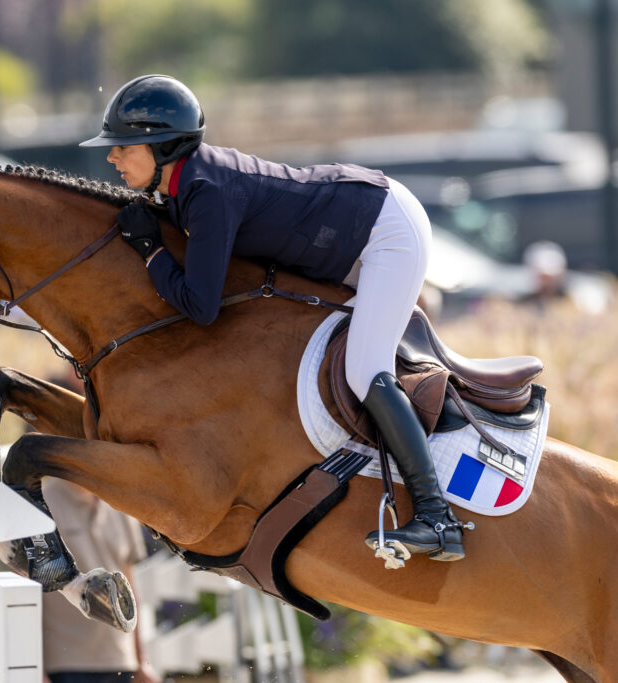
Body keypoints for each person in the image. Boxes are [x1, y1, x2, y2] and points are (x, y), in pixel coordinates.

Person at [80, 74, 469, 562]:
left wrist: (150, 249)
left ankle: (437, 517)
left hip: (384, 231)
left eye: (122, 147)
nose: (112, 157)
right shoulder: (183, 186)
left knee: (364, 368)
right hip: (353, 231)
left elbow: (201, 307)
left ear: (161, 147)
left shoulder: (206, 190)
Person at [42, 478, 159, 683]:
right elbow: (28, 591)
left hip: (121, 662)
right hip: (65, 666)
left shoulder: (121, 501)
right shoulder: (41, 501)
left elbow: (129, 590)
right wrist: (36, 671)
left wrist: (141, 662)